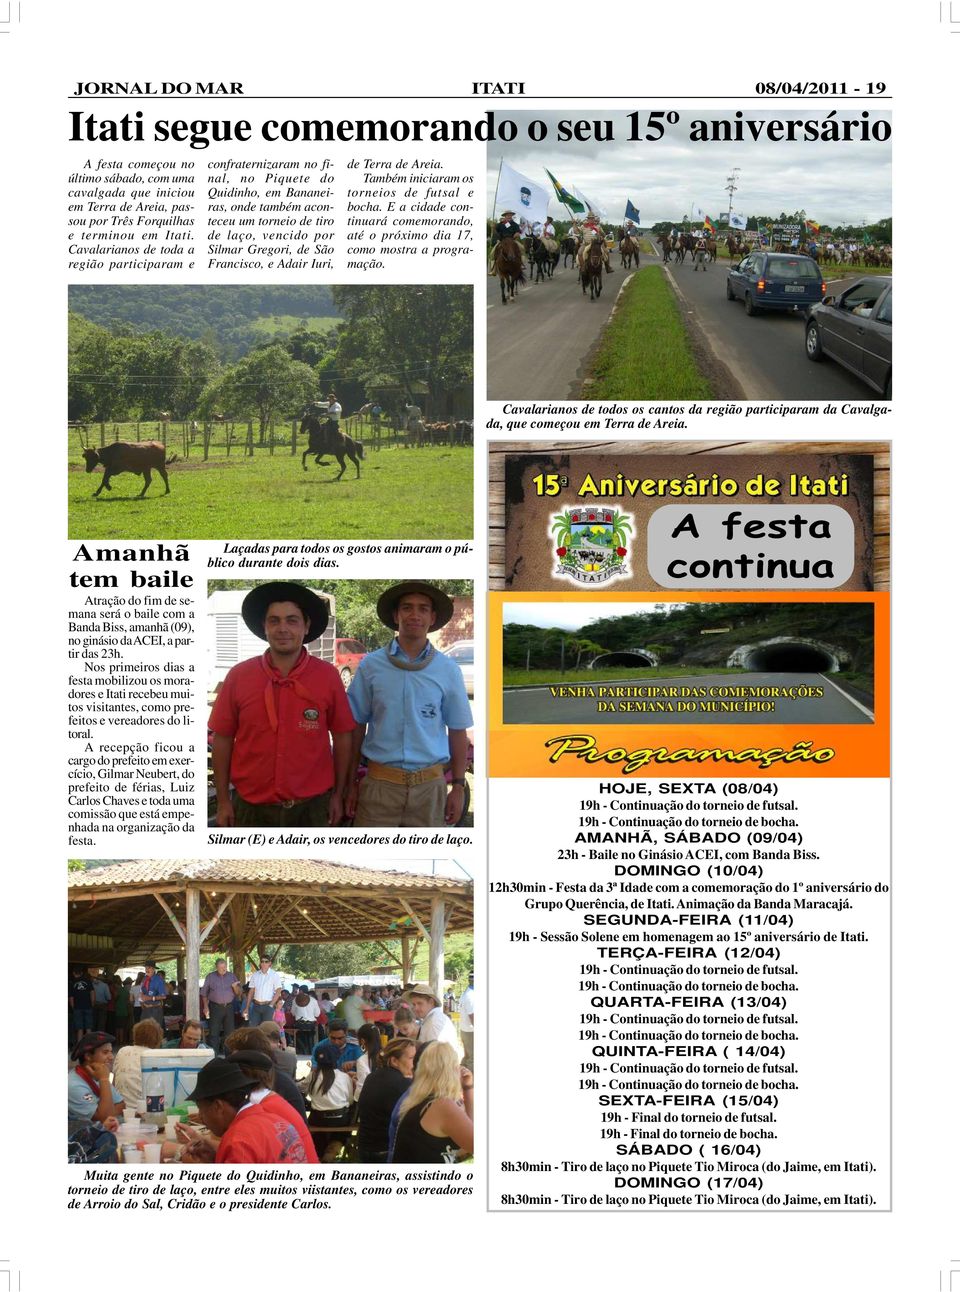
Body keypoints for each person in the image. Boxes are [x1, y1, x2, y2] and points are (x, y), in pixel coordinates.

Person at [209, 581, 355, 827]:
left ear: (306, 626)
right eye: (274, 621)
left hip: (313, 807)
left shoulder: (327, 676)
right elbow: (222, 739)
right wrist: (223, 800)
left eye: (292, 620)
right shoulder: (239, 676)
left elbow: (343, 738)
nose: (282, 628)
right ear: (264, 627)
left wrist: (338, 795)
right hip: (250, 807)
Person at [346, 582, 472, 827]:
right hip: (379, 788)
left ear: (432, 617)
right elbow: (356, 726)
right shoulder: (371, 666)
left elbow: (458, 730)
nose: (414, 615)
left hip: (429, 790)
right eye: (407, 608)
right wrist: (350, 784)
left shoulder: (447, 670)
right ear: (396, 615)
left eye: (423, 609)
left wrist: (457, 786)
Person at [178, 1058, 312, 1164]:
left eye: (201, 1109)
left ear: (218, 1106)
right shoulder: (275, 1119)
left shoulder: (238, 1141)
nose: (201, 1117)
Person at [391, 1042, 474, 1164]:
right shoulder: (442, 1105)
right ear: (451, 1071)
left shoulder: (420, 1099)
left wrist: (468, 1088)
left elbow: (468, 1137)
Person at [224, 1027, 307, 1120]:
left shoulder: (269, 1085)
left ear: (245, 1056)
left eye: (234, 1054)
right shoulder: (271, 1077)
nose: (232, 1059)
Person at [356, 1036, 416, 1163]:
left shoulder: (371, 1077)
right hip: (386, 1152)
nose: (415, 1063)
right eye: (411, 1058)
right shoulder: (403, 1084)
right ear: (394, 1061)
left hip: (364, 1148)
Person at [69, 1031, 124, 1134]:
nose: (111, 1057)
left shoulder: (99, 1075)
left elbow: (121, 1105)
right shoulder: (73, 1085)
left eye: (111, 1052)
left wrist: (105, 1111)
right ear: (88, 1056)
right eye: (105, 1052)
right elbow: (106, 1119)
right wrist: (104, 1080)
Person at [111, 1018, 164, 1105]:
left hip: (120, 1108)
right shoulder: (155, 1056)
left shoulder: (122, 1051)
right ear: (157, 1039)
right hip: (146, 1110)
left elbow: (114, 1082)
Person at [200, 958, 242, 1054]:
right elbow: (204, 993)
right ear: (216, 967)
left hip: (229, 1007)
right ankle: (213, 1056)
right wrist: (206, 1007)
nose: (223, 969)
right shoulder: (210, 977)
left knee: (230, 1033)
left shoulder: (231, 976)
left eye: (224, 967)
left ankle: (229, 1056)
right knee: (214, 1033)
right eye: (221, 967)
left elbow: (238, 993)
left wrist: (235, 987)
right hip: (215, 1007)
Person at [305, 1049, 355, 1126]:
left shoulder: (313, 1076)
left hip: (318, 1120)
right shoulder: (344, 1076)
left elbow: (302, 1090)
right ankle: (341, 1138)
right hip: (341, 1120)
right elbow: (350, 1100)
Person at [404, 982, 459, 1052]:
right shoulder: (433, 1018)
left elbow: (435, 1055)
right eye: (414, 1004)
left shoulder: (434, 1022)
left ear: (431, 1002)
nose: (416, 1008)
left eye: (419, 1003)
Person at [243, 953, 283, 1029]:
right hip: (256, 1006)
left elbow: (278, 990)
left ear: (270, 963)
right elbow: (251, 991)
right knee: (252, 1028)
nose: (264, 963)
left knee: (267, 1030)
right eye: (262, 961)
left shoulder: (274, 975)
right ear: (260, 963)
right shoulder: (255, 975)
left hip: (268, 1006)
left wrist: (271, 1004)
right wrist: (247, 1007)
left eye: (266, 961)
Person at [353, 1022, 382, 1101]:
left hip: (369, 1102)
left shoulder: (362, 1060)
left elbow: (360, 1092)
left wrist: (354, 1082)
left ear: (362, 1041)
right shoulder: (386, 1055)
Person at [291, 987, 323, 1053]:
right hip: (311, 1025)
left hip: (299, 1025)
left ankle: (302, 1049)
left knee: (299, 1034)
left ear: (301, 991)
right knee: (311, 1033)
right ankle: (311, 1049)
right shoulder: (313, 1000)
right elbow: (317, 1014)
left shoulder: (295, 1000)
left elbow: (293, 1013)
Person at [69, 966, 95, 1043]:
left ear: (74, 973)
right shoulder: (88, 981)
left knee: (79, 1028)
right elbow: (92, 993)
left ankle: (80, 1045)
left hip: (77, 1007)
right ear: (82, 973)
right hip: (88, 1006)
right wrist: (92, 1004)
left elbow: (71, 997)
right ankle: (89, 1044)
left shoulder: (72, 983)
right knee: (88, 1027)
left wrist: (73, 1007)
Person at [139, 960, 167, 1030]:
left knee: (154, 1032)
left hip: (155, 1010)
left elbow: (163, 996)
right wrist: (142, 1000)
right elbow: (142, 991)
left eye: (149, 968)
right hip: (145, 1009)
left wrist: (151, 998)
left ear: (153, 969)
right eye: (146, 968)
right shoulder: (144, 979)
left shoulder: (158, 980)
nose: (147, 970)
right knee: (144, 1031)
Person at [458, 972, 475, 1072]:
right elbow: (473, 1017)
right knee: (473, 1059)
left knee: (467, 1057)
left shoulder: (467, 993)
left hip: (465, 1029)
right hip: (470, 1031)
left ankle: (460, 1078)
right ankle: (470, 1082)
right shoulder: (471, 996)